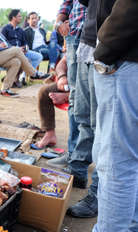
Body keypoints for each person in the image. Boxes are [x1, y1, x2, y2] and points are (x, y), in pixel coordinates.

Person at [54, 0, 138, 232]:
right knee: (130, 158)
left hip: (125, 56)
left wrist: (104, 51)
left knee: (116, 161)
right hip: (126, 53)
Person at [66, 0, 99, 217]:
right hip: (85, 43)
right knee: (83, 114)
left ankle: (98, 194)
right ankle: (77, 166)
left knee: (102, 126)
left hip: (106, 47)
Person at [46, 0, 86, 170]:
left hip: (94, 37)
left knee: (85, 105)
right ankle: (72, 155)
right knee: (75, 102)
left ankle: (80, 162)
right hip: (74, 36)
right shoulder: (68, 32)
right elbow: (65, 7)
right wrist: (59, 24)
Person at [0, 11, 50, 97]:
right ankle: (33, 74)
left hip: (9, 53)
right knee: (16, 50)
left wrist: (24, 48)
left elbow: (21, 43)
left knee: (16, 62)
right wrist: (0, 46)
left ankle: (5, 90)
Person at [36, 56, 69, 148]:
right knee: (45, 92)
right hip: (70, 82)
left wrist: (67, 96)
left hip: (87, 86)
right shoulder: (75, 43)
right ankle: (50, 134)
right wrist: (62, 77)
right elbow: (61, 63)